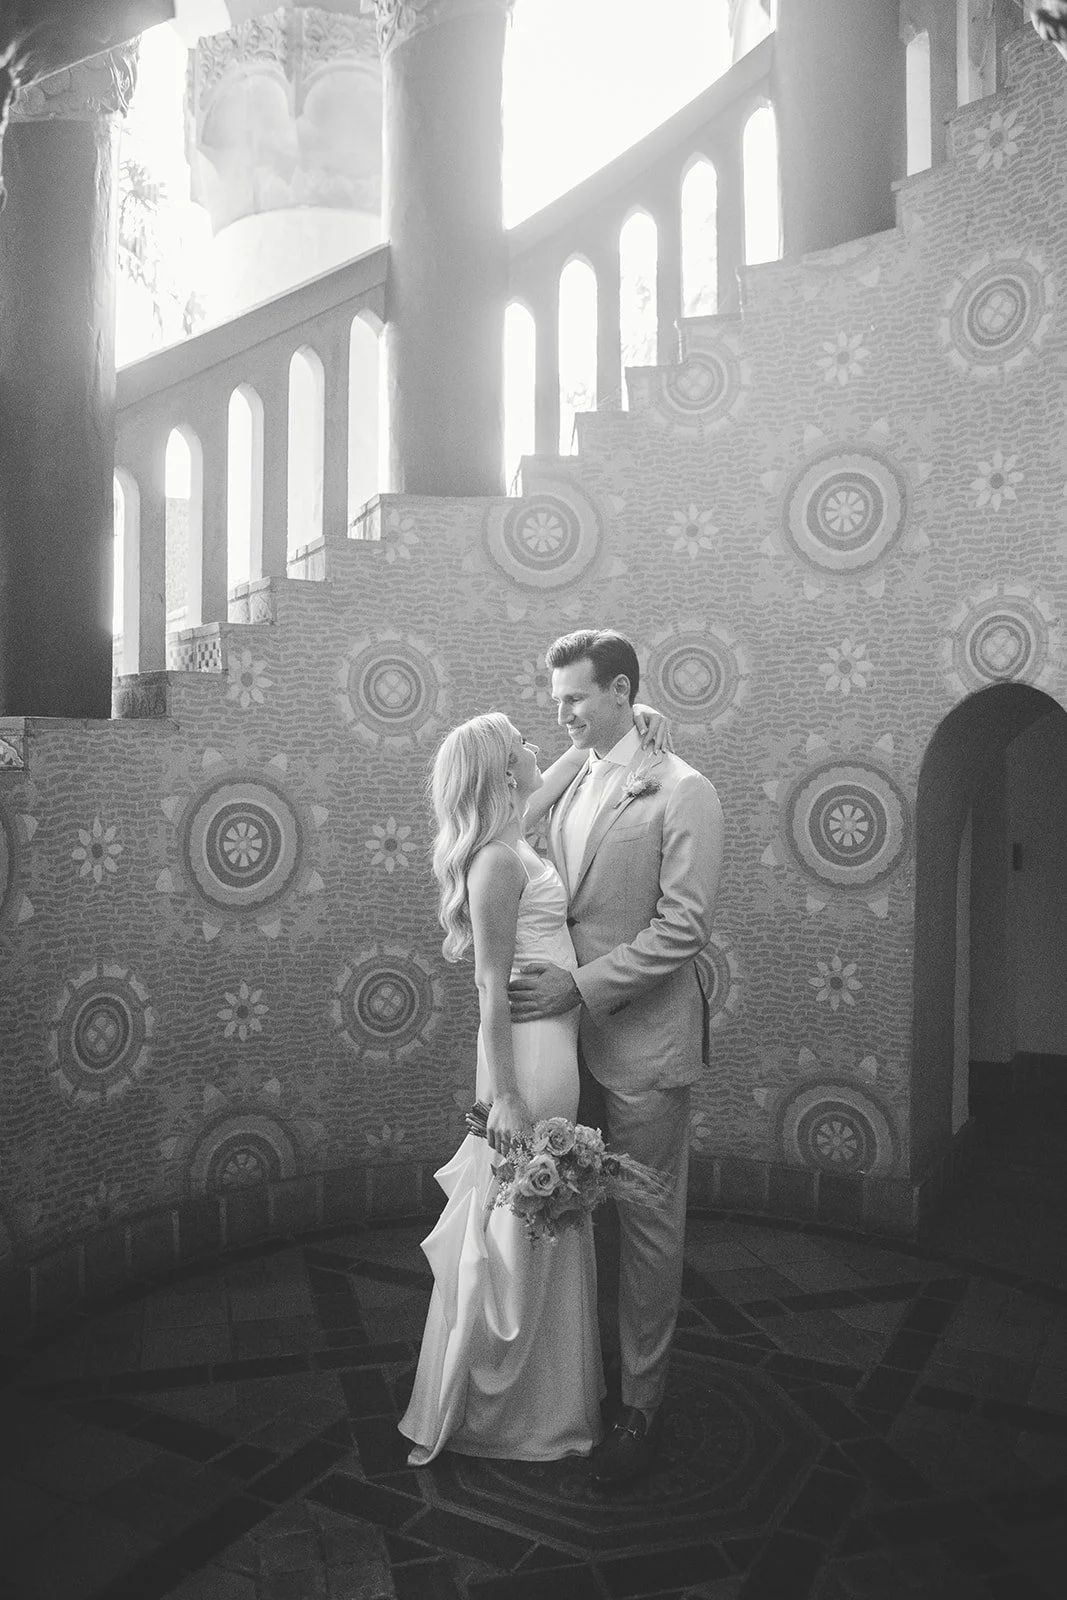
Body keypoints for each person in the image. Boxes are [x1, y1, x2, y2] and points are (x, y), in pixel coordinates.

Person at [398, 702, 668, 1465]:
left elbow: (570, 762)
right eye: (520, 741)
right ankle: (508, 1405)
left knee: (549, 1208)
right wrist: (509, 1096)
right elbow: (489, 987)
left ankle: (549, 1394)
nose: (534, 743)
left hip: (552, 1042)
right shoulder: (495, 860)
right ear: (501, 769)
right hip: (527, 1055)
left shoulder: (515, 832)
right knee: (528, 1208)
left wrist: (631, 717)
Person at [510, 628, 724, 1487]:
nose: (561, 712)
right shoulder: (574, 775)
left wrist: (580, 987)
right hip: (565, 1048)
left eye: (575, 698)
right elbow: (522, 844)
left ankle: (642, 1401)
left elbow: (682, 928)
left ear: (620, 691)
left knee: (645, 1226)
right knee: (565, 1213)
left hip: (643, 1042)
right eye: (556, 698)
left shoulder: (685, 790)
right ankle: (574, 1378)